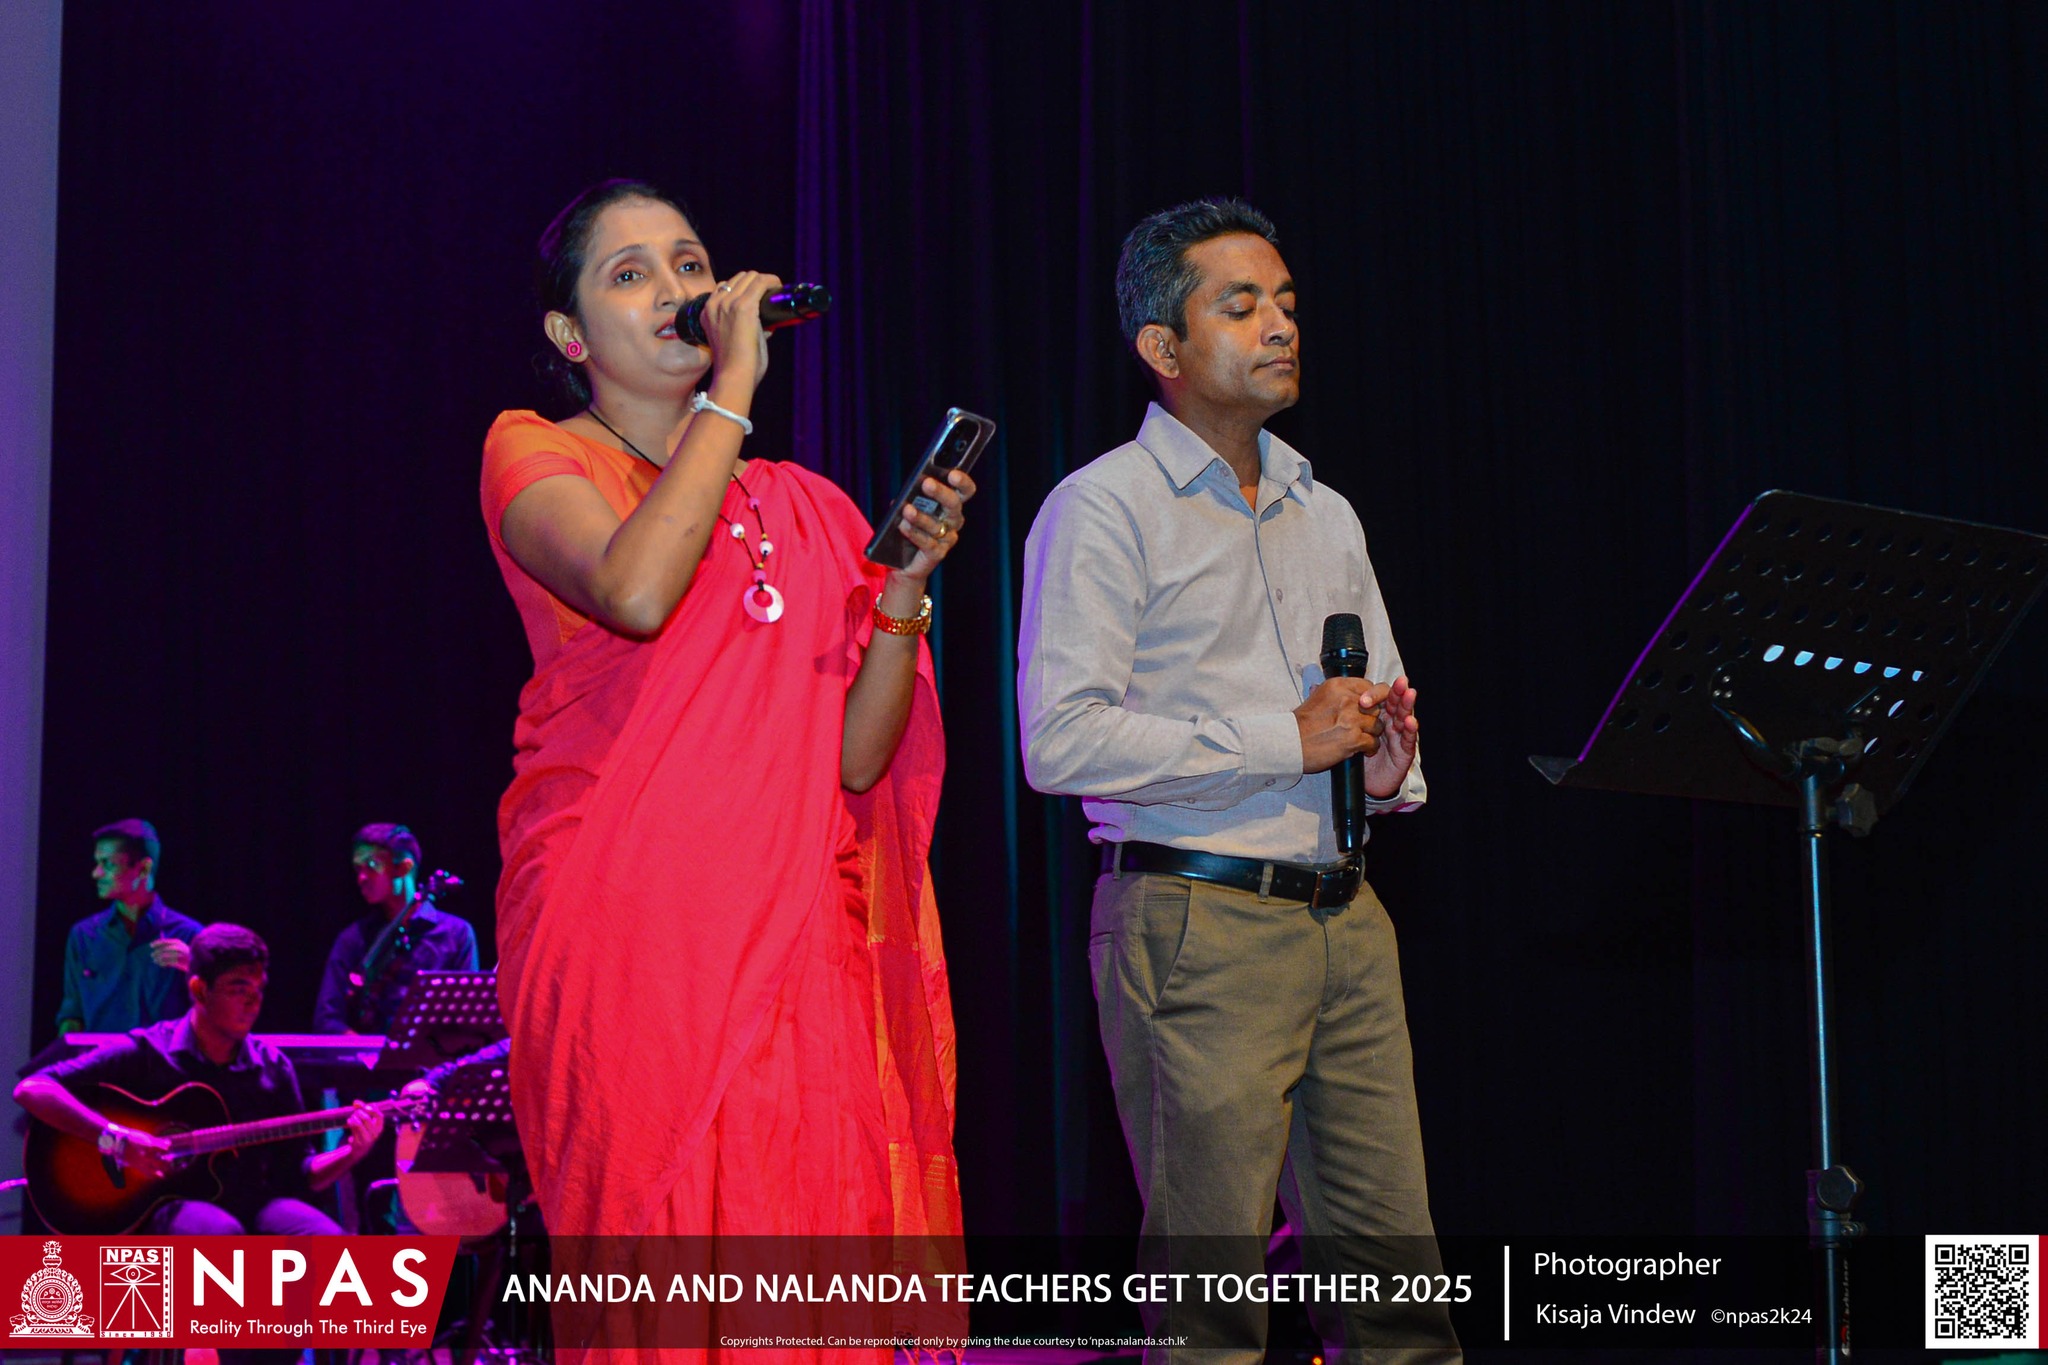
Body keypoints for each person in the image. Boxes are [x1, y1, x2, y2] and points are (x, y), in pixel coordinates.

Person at [478, 179, 968, 1312]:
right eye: (631, 273)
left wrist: (901, 587)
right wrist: (733, 390)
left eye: (690, 265)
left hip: (795, 942)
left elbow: (856, 762)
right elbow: (636, 590)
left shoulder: (805, 506)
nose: (677, 290)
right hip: (632, 939)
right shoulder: (533, 451)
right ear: (569, 335)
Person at [1018, 199, 1458, 1362]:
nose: (1280, 327)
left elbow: (1367, 719)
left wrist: (1386, 766)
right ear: (1161, 347)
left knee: (1399, 1298)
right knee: (1211, 1310)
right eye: (1242, 304)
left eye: (1287, 304)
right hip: (1193, 921)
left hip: (1346, 917)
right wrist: (1283, 739)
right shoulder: (1101, 507)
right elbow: (1057, 741)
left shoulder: (1327, 513)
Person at [17, 922, 384, 1233]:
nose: (253, 1003)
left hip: (256, 1205)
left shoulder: (272, 1067)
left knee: (329, 1242)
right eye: (238, 989)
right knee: (220, 1235)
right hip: (165, 1205)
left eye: (258, 990)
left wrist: (352, 1152)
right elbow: (32, 1088)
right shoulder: (149, 1051)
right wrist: (116, 1140)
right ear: (199, 990)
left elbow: (303, 1174)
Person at [313, 822, 480, 1034]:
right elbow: (327, 1019)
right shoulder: (352, 939)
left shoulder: (457, 934)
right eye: (358, 868)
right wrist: (369, 1049)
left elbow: (467, 1017)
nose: (361, 878)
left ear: (404, 868)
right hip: (367, 1055)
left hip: (433, 1054)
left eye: (371, 865)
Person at [56, 818, 203, 1035]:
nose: (96, 873)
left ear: (143, 868)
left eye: (108, 864)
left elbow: (212, 1015)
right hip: (99, 1057)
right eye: (97, 863)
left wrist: (196, 967)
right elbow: (72, 1014)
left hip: (162, 1057)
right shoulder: (84, 935)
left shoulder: (188, 935)